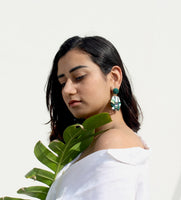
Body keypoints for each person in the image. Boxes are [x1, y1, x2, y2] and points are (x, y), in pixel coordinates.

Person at [45, 36, 150, 200]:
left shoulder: (114, 143)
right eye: (62, 82)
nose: (67, 90)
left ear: (114, 77)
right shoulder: (94, 144)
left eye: (79, 77)